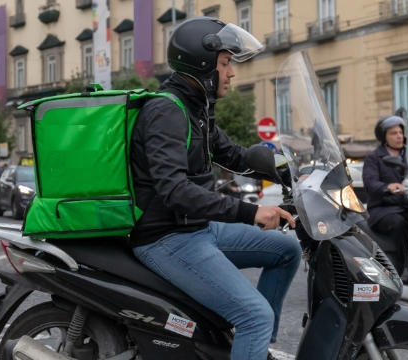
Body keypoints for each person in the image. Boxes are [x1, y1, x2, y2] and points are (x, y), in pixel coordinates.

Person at [129, 18, 301, 360]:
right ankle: (252, 330)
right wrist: (251, 212)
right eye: (225, 63)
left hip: (196, 228)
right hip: (166, 238)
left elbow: (235, 155)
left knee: (287, 251)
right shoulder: (167, 110)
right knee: (255, 314)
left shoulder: (197, 108)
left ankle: (252, 346)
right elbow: (174, 189)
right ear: (203, 64)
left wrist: (293, 171)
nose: (231, 72)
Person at [363, 115, 408, 279]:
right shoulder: (374, 157)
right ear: (384, 136)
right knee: (399, 224)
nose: (399, 136)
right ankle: (405, 267)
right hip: (382, 209)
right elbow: (370, 182)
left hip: (407, 205)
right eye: (393, 133)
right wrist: (387, 187)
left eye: (400, 132)